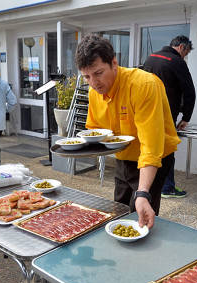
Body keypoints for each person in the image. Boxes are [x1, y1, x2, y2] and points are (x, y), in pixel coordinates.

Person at [76, 34, 180, 229]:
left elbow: (151, 146)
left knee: (139, 214)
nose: (93, 82)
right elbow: (95, 129)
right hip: (124, 154)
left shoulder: (143, 84)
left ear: (114, 63)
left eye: (98, 73)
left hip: (154, 157)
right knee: (119, 209)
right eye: (87, 76)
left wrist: (143, 193)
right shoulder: (94, 92)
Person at [143, 35, 196, 199]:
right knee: (167, 151)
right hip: (165, 115)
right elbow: (189, 91)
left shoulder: (150, 58)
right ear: (181, 47)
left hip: (145, 113)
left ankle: (146, 184)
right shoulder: (177, 62)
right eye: (186, 53)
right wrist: (186, 117)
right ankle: (167, 187)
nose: (185, 56)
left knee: (148, 148)